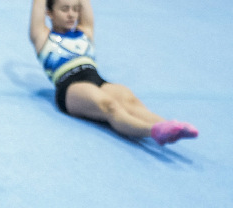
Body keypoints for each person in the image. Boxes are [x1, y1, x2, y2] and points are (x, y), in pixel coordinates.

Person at [29, 0, 197, 144]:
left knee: (130, 100)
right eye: (65, 9)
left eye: (75, 8)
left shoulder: (85, 31)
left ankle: (170, 127)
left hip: (97, 79)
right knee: (110, 106)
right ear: (49, 13)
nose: (71, 14)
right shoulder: (43, 36)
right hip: (70, 86)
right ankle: (152, 131)